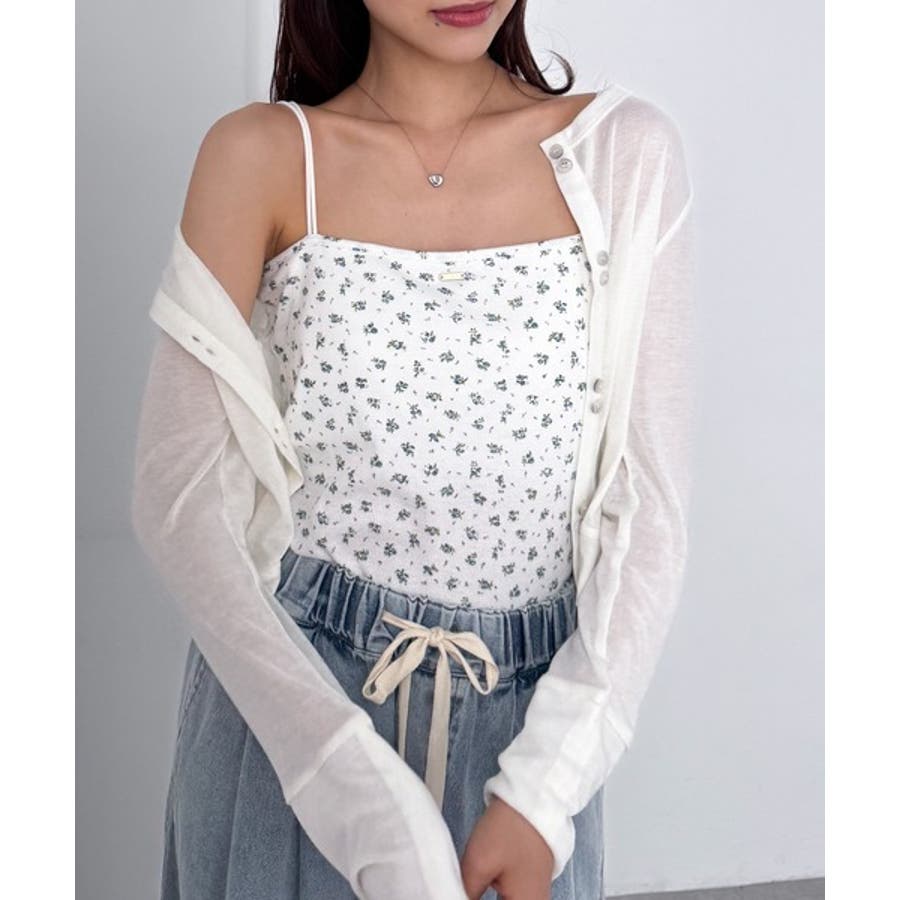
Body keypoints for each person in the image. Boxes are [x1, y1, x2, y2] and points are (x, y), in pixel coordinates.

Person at [131, 2, 698, 898]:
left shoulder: (622, 155)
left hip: (528, 739)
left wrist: (546, 790)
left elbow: (649, 509)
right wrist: (350, 787)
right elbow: (179, 502)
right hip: (295, 719)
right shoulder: (265, 156)